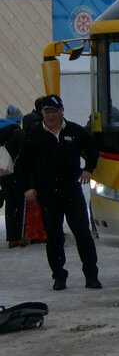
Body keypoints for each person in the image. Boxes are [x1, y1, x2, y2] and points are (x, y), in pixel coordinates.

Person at [12, 95, 101, 290]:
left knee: (82, 234)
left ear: (62, 110)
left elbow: (93, 149)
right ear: (41, 113)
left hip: (71, 189)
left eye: (54, 111)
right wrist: (27, 187)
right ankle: (59, 277)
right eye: (46, 111)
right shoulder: (33, 133)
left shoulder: (75, 131)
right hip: (46, 192)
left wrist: (89, 168)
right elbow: (22, 164)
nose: (50, 115)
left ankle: (91, 275)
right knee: (54, 237)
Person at [0, 104, 25, 247]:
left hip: (3, 173)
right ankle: (19, 236)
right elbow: (22, 155)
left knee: (10, 204)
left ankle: (11, 238)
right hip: (16, 172)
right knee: (20, 204)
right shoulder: (18, 133)